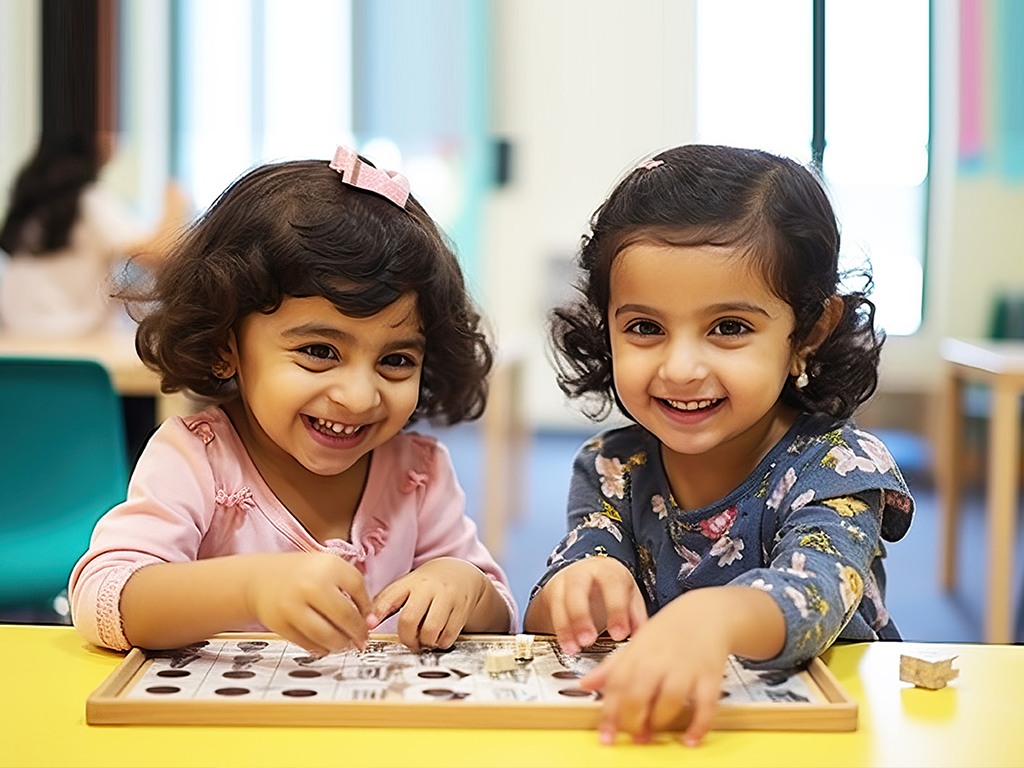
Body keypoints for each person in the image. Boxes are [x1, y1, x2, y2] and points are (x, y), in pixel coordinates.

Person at [524, 144, 914, 746]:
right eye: (645, 328)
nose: (680, 368)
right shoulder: (614, 466)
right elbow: (562, 591)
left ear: (807, 332)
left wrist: (714, 618)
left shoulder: (838, 467)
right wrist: (574, 589)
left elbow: (815, 592)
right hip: (676, 732)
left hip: (824, 735)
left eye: (728, 328)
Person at [69, 146, 517, 656]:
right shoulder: (197, 459)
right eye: (319, 351)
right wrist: (249, 587)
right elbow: (103, 598)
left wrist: (461, 584)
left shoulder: (418, 474)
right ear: (225, 346)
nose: (358, 396)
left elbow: (499, 611)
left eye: (396, 360)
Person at [0, 131, 188, 335]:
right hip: (75, 347)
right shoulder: (90, 200)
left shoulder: (31, 204)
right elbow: (156, 255)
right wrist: (176, 204)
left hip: (14, 347)